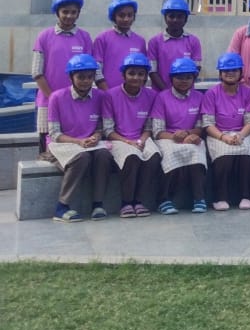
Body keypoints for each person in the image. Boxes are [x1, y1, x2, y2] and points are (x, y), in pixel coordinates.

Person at [45, 53, 111, 222]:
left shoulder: (100, 96)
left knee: (104, 155)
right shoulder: (56, 98)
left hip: (89, 144)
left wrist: (96, 136)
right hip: (61, 145)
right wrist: (78, 141)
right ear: (71, 77)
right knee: (81, 157)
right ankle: (62, 207)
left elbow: (101, 127)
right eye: (81, 77)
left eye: (89, 77)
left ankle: (98, 204)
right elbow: (54, 133)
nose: (85, 81)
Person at [33, 0, 93, 158]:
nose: (69, 16)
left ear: (78, 13)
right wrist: (53, 98)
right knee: (47, 148)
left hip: (78, 102)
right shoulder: (44, 36)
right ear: (57, 12)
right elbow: (37, 72)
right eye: (65, 11)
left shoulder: (85, 37)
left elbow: (90, 70)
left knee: (77, 146)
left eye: (73, 12)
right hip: (47, 101)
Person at [102, 51, 162, 217]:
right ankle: (126, 202)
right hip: (118, 139)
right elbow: (108, 129)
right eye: (132, 73)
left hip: (142, 138)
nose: (136, 77)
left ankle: (139, 201)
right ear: (123, 75)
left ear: (146, 76)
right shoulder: (110, 96)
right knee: (132, 157)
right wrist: (128, 142)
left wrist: (141, 140)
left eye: (141, 74)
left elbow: (149, 126)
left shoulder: (152, 95)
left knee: (154, 156)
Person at [148, 58, 208, 215]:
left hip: (190, 137)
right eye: (179, 77)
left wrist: (190, 134)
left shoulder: (199, 97)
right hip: (167, 138)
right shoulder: (161, 97)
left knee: (196, 151)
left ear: (194, 79)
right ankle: (163, 199)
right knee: (171, 153)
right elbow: (158, 131)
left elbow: (200, 126)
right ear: (171, 78)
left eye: (188, 77)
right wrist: (174, 137)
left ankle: (199, 198)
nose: (184, 81)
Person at [199, 53, 250, 212]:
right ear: (220, 73)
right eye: (226, 70)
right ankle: (220, 197)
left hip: (241, 133)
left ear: (240, 73)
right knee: (223, 155)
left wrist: (241, 135)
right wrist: (223, 137)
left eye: (234, 70)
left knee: (247, 153)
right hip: (218, 134)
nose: (230, 73)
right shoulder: (212, 94)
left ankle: (246, 196)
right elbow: (208, 124)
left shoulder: (247, 92)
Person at [147, 0, 202, 91]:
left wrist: (183, 89)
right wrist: (167, 93)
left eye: (180, 16)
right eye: (171, 16)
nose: (175, 20)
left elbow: (196, 68)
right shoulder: (154, 42)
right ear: (165, 18)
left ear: (186, 19)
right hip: (160, 94)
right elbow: (152, 71)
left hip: (186, 94)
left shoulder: (193, 41)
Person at [92, 0, 146, 90]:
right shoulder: (102, 39)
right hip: (108, 92)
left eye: (130, 15)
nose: (126, 19)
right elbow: (97, 69)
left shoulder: (140, 41)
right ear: (114, 17)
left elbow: (144, 70)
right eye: (121, 15)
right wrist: (107, 92)